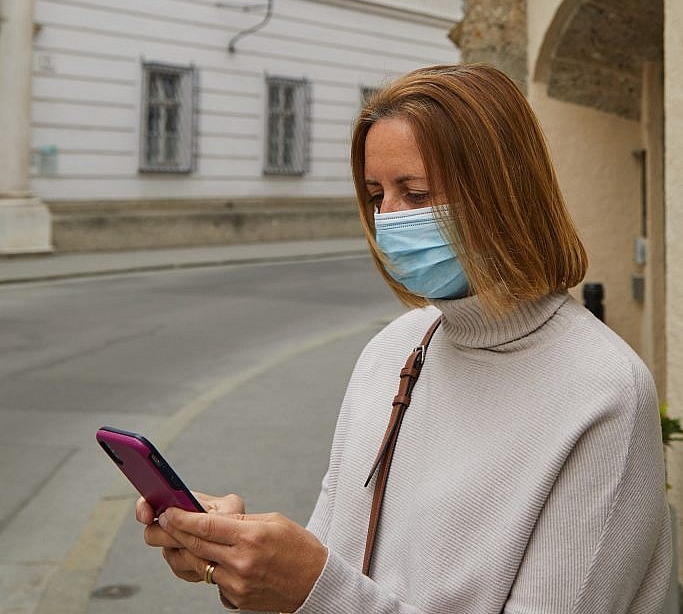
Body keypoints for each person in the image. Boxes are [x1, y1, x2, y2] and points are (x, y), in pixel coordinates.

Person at [137, 64, 673, 612]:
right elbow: (336, 556)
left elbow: (331, 592)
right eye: (377, 194)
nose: (389, 219)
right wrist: (245, 561)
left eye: (415, 194)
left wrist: (315, 591)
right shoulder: (392, 350)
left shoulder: (604, 392)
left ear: (506, 192)